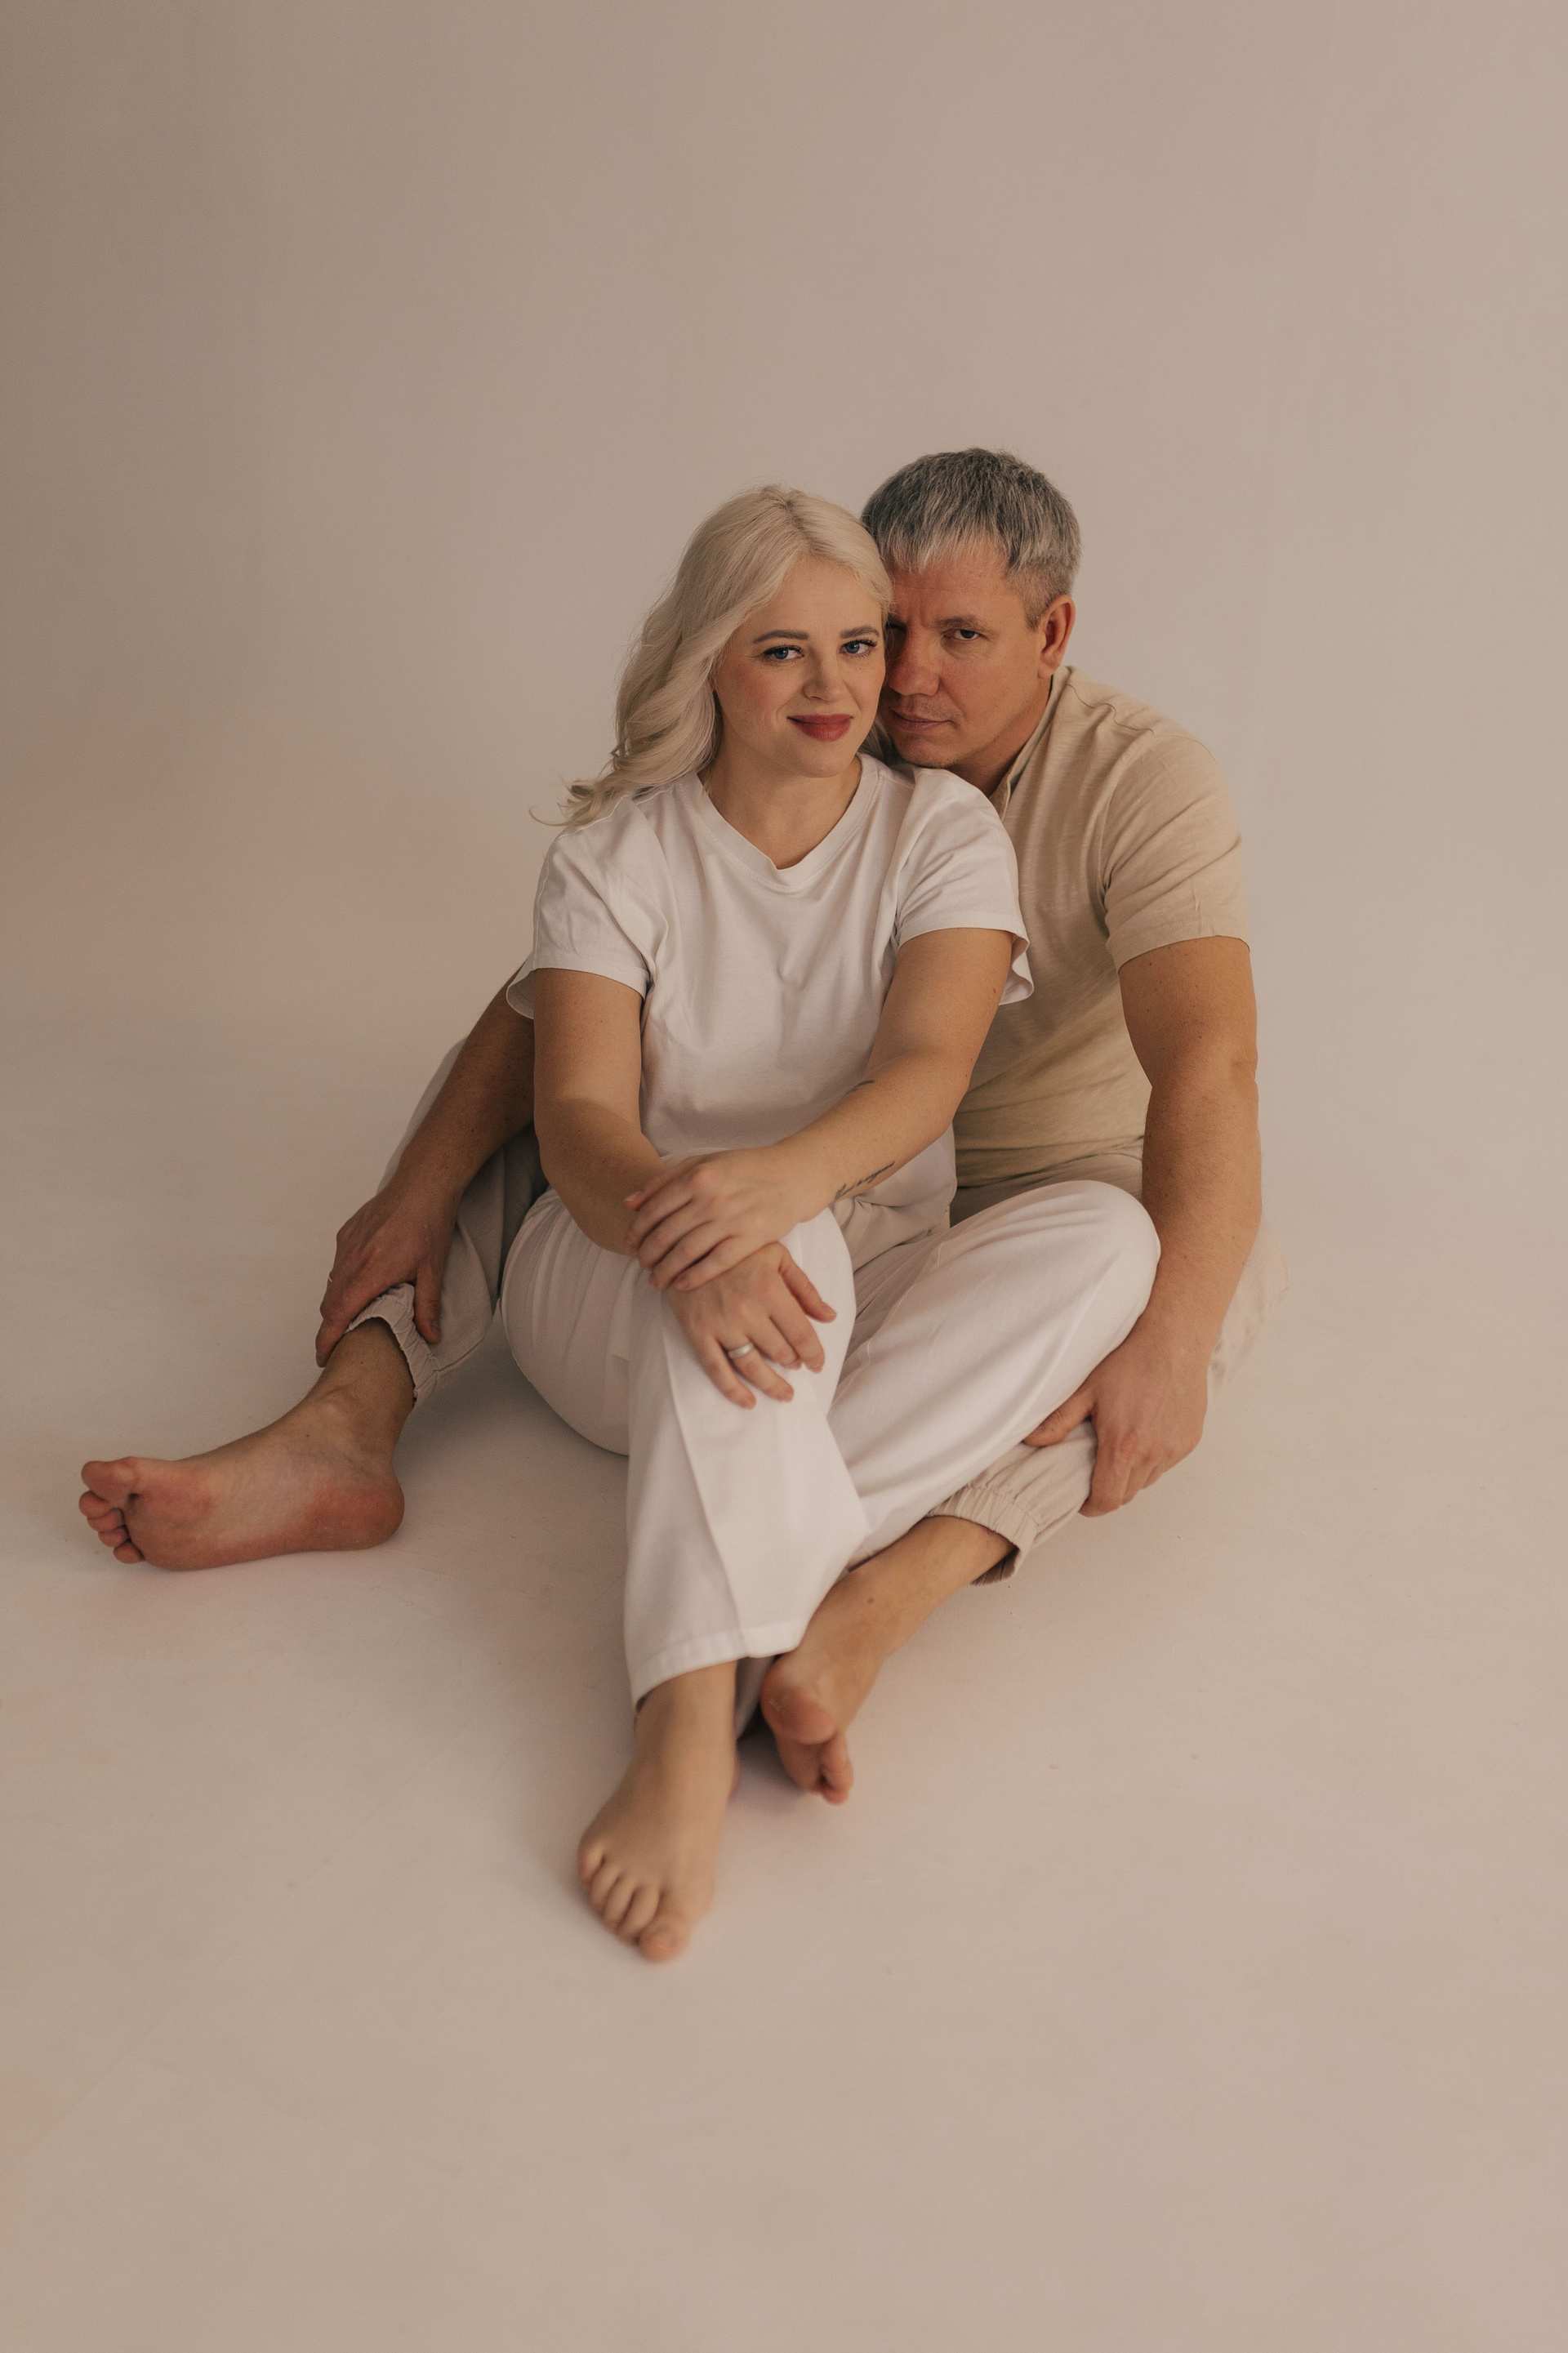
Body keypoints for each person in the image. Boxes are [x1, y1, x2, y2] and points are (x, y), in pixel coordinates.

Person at [78, 451, 1283, 1914]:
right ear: (718, 654)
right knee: (678, 1191)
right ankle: (654, 1676)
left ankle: (840, 1592)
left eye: (947, 637)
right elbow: (564, 1055)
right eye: (860, 635)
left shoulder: (1076, 796)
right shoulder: (663, 832)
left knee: (1140, 1264)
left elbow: (1190, 1067)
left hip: (985, 1181)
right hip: (694, 1225)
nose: (895, 678)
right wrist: (430, 1179)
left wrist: (1171, 1331)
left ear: (1054, 633)